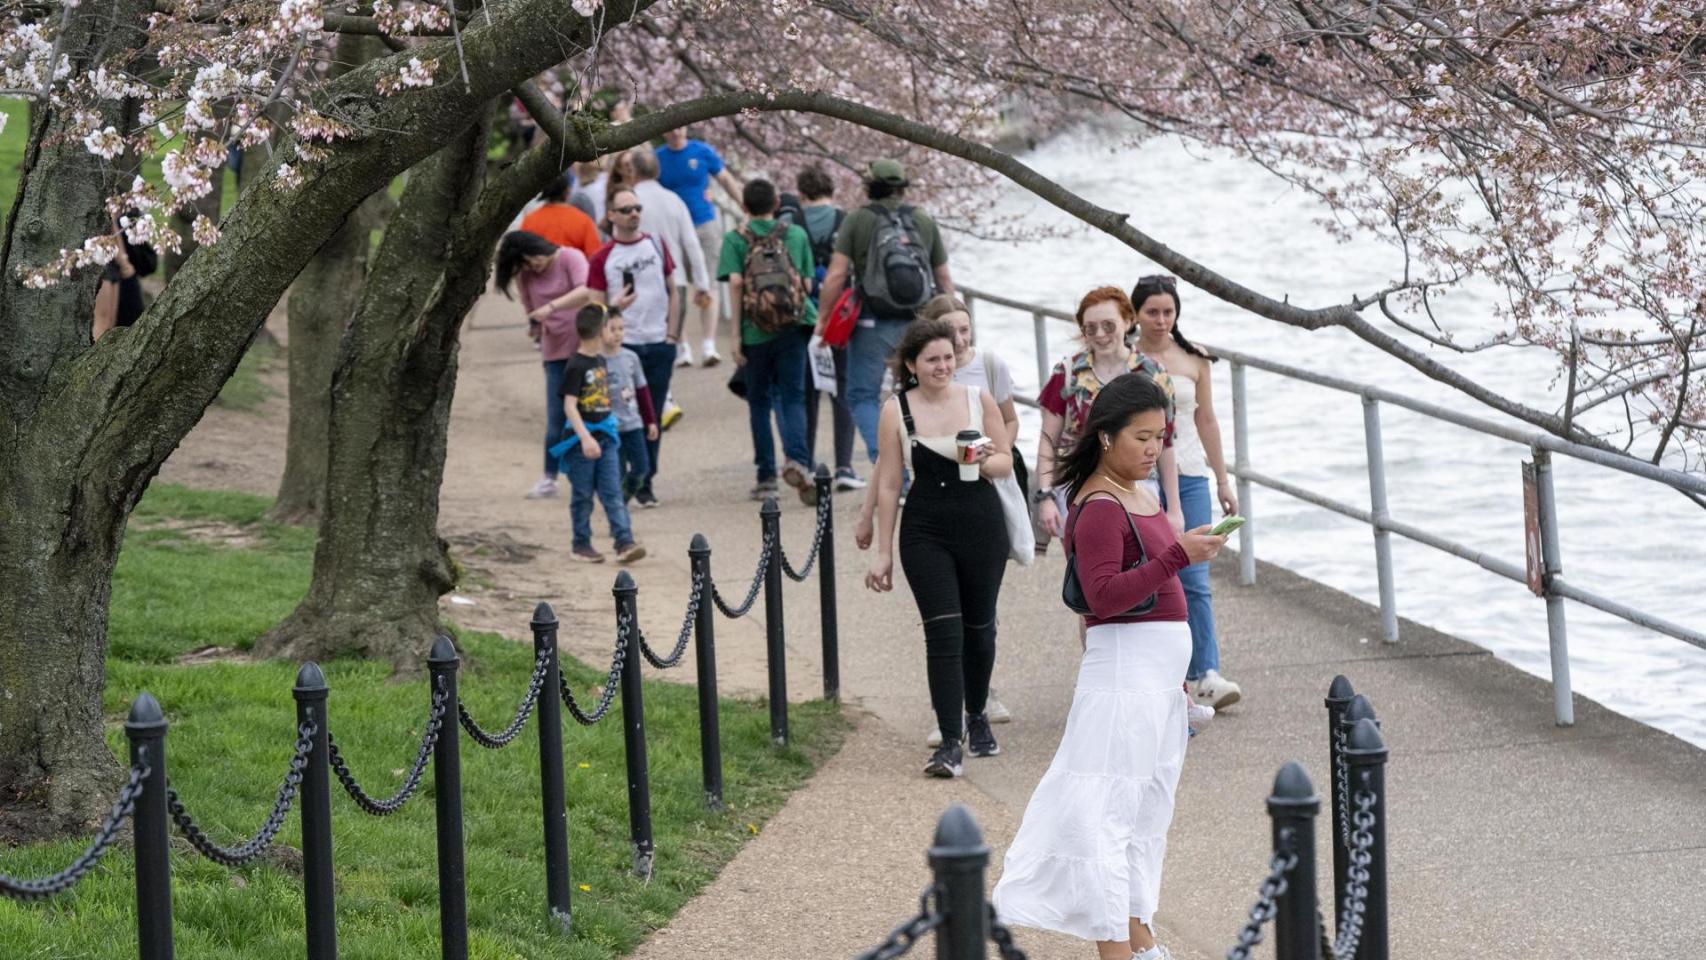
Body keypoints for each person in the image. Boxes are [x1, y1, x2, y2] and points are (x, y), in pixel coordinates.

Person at [992, 373, 1226, 960]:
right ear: (1105, 437)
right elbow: (1103, 597)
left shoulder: (1138, 492)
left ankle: (1139, 934)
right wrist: (1179, 554)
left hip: (1152, 687)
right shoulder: (1098, 504)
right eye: (1141, 437)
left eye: (1160, 436)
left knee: (1145, 816)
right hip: (1122, 685)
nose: (1153, 449)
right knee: (1107, 819)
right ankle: (1117, 952)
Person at [864, 319, 1013, 778]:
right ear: (912, 364)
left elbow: (1007, 462)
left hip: (982, 525)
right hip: (925, 530)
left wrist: (988, 459)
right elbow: (890, 483)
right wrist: (882, 550)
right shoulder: (896, 410)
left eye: (948, 357)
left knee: (980, 630)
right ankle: (950, 742)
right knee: (943, 633)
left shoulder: (977, 399)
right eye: (932, 359)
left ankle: (978, 714)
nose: (943, 366)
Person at [1130, 275, 1244, 711]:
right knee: (1147, 570)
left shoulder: (1195, 359)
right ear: (1136, 314)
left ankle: (1206, 672)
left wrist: (1222, 478)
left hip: (1191, 470)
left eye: (1168, 312)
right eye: (1152, 312)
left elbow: (1207, 420)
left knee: (1196, 576)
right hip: (1141, 474)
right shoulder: (1129, 358)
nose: (1160, 320)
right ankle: (1161, 672)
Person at [815, 159, 953, 466]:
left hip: (871, 322)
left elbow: (836, 275)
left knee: (862, 395)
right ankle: (926, 466)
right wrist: (953, 326)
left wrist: (823, 318)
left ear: (869, 187)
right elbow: (943, 278)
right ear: (902, 188)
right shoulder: (923, 219)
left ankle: (889, 465)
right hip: (920, 322)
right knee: (919, 395)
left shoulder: (858, 220)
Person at [1033, 287, 1182, 555]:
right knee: (1089, 577)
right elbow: (1047, 442)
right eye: (1091, 328)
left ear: (1127, 321)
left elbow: (1166, 443)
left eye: (1108, 325)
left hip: (1139, 485)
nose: (1100, 335)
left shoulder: (1153, 374)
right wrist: (1045, 496)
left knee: (1143, 571)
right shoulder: (1068, 373)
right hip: (1080, 487)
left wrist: (1174, 509)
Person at [719, 177, 818, 503]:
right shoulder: (796, 234)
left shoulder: (735, 239)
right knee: (793, 397)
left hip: (754, 331)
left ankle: (766, 479)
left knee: (759, 402)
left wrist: (735, 336)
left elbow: (735, 284)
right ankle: (799, 462)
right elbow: (805, 283)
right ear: (777, 205)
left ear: (744, 207)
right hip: (793, 326)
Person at [587, 190, 680, 508]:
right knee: (624, 415)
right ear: (611, 215)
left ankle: (645, 480)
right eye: (626, 209)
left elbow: (673, 289)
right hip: (622, 347)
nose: (634, 214)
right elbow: (594, 309)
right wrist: (614, 307)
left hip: (658, 342)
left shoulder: (656, 244)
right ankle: (626, 476)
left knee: (652, 412)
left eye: (637, 208)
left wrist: (672, 334)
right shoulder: (603, 258)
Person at [495, 230, 600, 500]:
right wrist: (535, 325)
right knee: (556, 418)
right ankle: (549, 476)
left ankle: (597, 472)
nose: (535, 266)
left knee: (593, 412)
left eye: (535, 260)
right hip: (554, 351)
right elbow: (530, 308)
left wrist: (552, 307)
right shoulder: (525, 276)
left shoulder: (570, 258)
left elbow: (585, 290)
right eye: (527, 264)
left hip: (584, 348)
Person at [552, 304, 647, 564]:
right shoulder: (576, 365)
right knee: (582, 495)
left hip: (606, 437)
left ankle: (624, 542)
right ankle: (580, 544)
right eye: (609, 325)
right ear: (601, 331)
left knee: (612, 491)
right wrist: (585, 438)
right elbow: (569, 406)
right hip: (582, 442)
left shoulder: (600, 360)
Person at [795, 165, 863, 492]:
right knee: (843, 390)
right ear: (832, 191)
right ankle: (845, 465)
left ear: (801, 194)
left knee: (806, 392)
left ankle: (806, 464)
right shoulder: (847, 222)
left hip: (801, 317)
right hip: (841, 318)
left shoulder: (789, 224)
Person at [657, 127, 743, 367]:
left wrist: (743, 205)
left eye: (679, 128)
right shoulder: (658, 158)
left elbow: (724, 177)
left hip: (704, 222)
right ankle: (682, 346)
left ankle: (709, 345)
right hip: (672, 230)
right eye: (670, 129)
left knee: (709, 283)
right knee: (677, 285)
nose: (675, 133)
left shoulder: (702, 151)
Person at [628, 146, 715, 372]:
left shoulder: (630, 203)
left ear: (633, 172)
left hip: (642, 279)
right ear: (657, 171)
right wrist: (702, 283)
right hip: (676, 280)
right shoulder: (673, 199)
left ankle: (663, 394)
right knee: (669, 339)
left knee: (648, 341)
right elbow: (691, 243)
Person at [601, 310, 660, 502]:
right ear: (600, 331)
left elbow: (642, 391)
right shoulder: (596, 361)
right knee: (616, 471)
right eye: (612, 329)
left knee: (642, 467)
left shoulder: (631, 358)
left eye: (621, 328)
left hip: (634, 424)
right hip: (611, 428)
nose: (618, 333)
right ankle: (618, 506)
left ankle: (623, 496)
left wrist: (650, 421)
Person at [92, 219, 158, 339]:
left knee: (110, 322)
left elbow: (113, 226)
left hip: (112, 261)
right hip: (97, 257)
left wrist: (123, 259)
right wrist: (122, 261)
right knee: (102, 320)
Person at [519, 175, 603, 259]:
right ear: (567, 191)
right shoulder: (583, 221)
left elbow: (521, 255)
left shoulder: (529, 220)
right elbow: (594, 256)